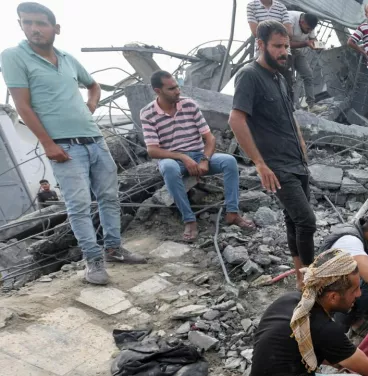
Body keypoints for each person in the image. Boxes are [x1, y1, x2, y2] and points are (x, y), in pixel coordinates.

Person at [2, 2, 146, 286]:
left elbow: (93, 85)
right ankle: (93, 262)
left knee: (109, 198)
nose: (34, 29)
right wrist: (48, 143)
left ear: (55, 28)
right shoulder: (14, 56)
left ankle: (114, 249)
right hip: (65, 146)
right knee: (78, 206)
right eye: (27, 22)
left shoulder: (67, 58)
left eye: (40, 23)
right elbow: (23, 107)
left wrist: (90, 106)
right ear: (20, 25)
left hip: (94, 139)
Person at [230, 21, 314, 290]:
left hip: (295, 160)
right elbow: (236, 120)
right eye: (277, 46)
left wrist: (301, 143)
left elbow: (290, 114)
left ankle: (301, 277)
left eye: (286, 46)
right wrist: (259, 163)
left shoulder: (280, 75)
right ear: (261, 45)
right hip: (277, 164)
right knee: (306, 220)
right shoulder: (249, 75)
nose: (283, 52)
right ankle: (312, 279)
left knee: (294, 219)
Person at [141, 71, 255, 242]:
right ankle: (189, 220)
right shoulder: (148, 113)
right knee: (169, 168)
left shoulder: (189, 105)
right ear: (158, 91)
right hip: (173, 159)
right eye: (172, 88)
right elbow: (152, 150)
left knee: (229, 161)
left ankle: (232, 213)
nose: (178, 91)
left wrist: (204, 160)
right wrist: (182, 157)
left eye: (177, 87)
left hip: (198, 155)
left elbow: (210, 138)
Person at [246, 0, 294, 99]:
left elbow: (288, 32)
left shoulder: (281, 7)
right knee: (262, 84)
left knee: (287, 86)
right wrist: (278, 31)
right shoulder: (252, 6)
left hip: (283, 54)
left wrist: (268, 33)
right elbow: (256, 32)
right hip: (263, 52)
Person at [286, 11, 321, 107]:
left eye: (311, 29)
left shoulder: (309, 25)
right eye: (308, 29)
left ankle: (311, 105)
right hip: (285, 51)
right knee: (290, 78)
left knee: (308, 75)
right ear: (302, 22)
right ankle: (292, 106)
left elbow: (312, 39)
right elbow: (286, 43)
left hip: (297, 51)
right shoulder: (290, 19)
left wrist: (318, 45)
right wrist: (306, 43)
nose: (309, 31)